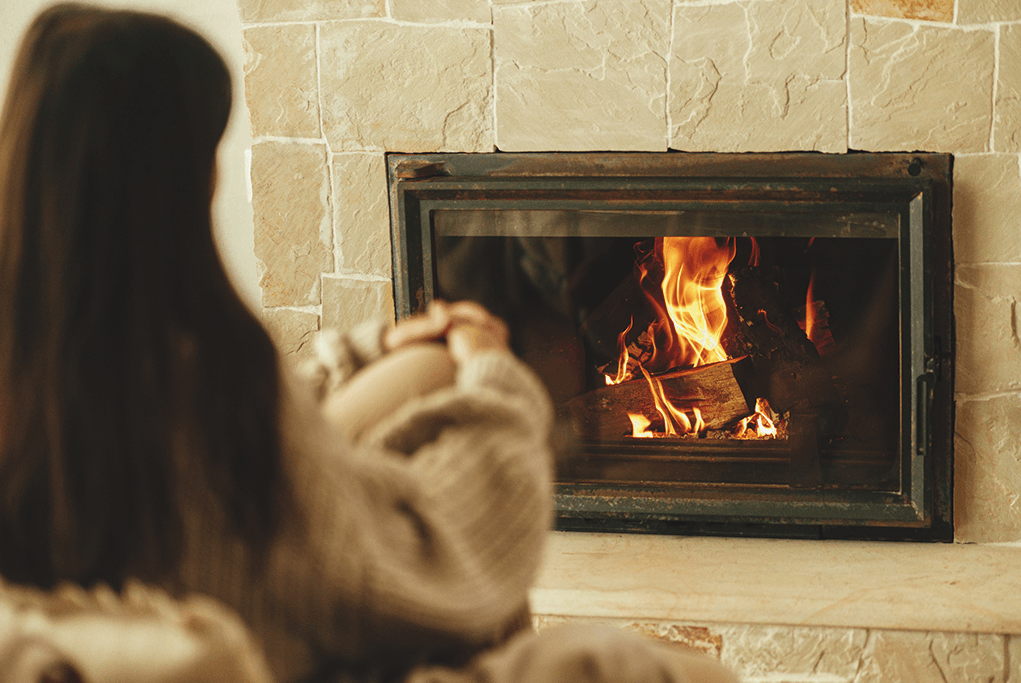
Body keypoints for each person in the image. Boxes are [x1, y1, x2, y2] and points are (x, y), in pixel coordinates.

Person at [0, 4, 738, 683]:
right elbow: (445, 563)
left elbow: (279, 435)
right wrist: (495, 377)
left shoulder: (71, 377)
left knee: (419, 363)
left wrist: (367, 347)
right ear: (171, 180)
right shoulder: (223, 413)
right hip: (306, 649)